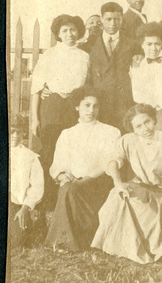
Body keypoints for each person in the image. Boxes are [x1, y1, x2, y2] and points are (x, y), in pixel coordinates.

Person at [91, 104, 162, 264]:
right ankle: (107, 246)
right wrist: (118, 182)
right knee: (116, 195)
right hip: (141, 186)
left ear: (154, 120)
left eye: (147, 122)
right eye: (138, 126)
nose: (145, 128)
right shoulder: (129, 140)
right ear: (133, 129)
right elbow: (113, 160)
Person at [45, 86, 121, 252]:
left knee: (69, 190)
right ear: (77, 106)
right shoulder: (67, 134)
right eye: (87, 105)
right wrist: (62, 175)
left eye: (95, 106)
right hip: (73, 184)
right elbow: (58, 165)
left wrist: (86, 179)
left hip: (97, 183)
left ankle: (62, 242)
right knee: (67, 188)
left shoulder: (110, 132)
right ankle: (70, 241)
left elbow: (108, 162)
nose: (91, 110)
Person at [31, 14, 89, 209]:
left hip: (73, 107)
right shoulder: (49, 55)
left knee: (73, 152)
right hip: (53, 106)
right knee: (50, 152)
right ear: (58, 33)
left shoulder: (84, 56)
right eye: (65, 31)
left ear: (79, 32)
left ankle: (67, 203)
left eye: (73, 30)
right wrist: (34, 120)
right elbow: (36, 88)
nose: (70, 34)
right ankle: (48, 203)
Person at [88, 2, 141, 132]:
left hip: (124, 105)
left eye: (116, 19)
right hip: (100, 105)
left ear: (122, 19)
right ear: (101, 20)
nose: (112, 24)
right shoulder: (90, 45)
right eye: (108, 19)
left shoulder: (133, 45)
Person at [130, 22, 162, 134]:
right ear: (142, 45)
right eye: (149, 44)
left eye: (157, 44)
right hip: (143, 118)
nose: (153, 48)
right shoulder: (135, 67)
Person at [9, 114, 44, 248]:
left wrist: (25, 207)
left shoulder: (31, 157)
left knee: (18, 242)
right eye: (12, 131)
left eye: (19, 132)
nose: (16, 135)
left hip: (17, 205)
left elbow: (37, 187)